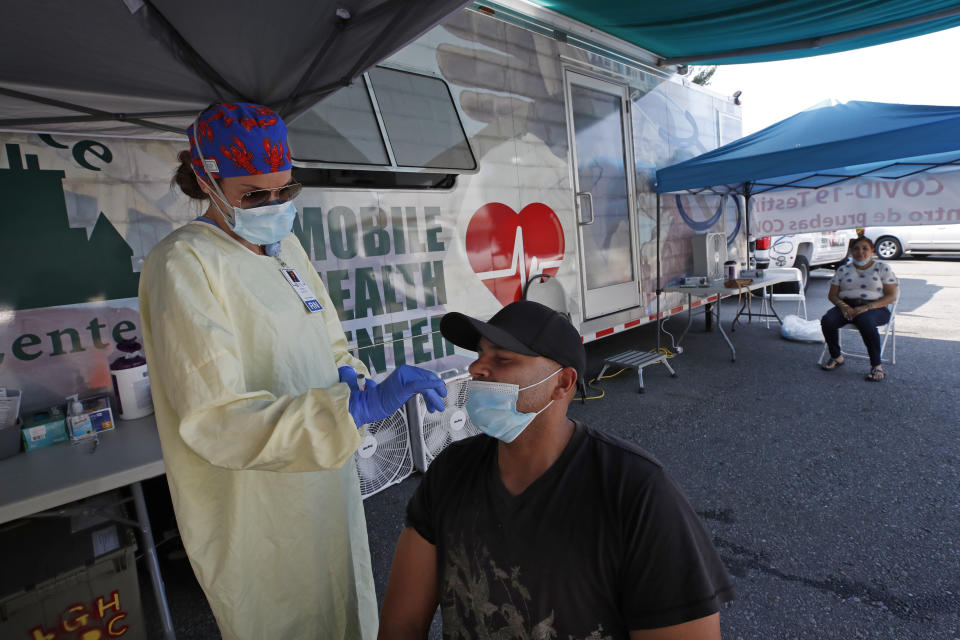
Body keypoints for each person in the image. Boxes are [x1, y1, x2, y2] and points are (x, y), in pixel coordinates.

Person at [138, 102, 447, 639]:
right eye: (255, 195)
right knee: (288, 618)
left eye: (285, 191)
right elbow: (216, 419)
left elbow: (326, 337)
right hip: (257, 502)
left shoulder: (283, 249)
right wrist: (345, 411)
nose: (274, 204)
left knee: (345, 604)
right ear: (206, 182)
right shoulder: (184, 264)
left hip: (323, 481)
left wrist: (352, 378)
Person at [378, 300, 734, 639]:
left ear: (562, 383)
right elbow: (401, 625)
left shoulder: (635, 492)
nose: (476, 369)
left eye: (502, 358)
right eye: (480, 355)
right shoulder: (451, 472)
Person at [820, 236, 899, 381]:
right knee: (828, 320)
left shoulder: (882, 268)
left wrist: (868, 307)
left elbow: (891, 296)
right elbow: (832, 295)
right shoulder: (843, 269)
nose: (860, 252)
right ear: (851, 251)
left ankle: (876, 365)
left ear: (872, 251)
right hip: (847, 306)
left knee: (865, 320)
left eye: (865, 248)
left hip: (876, 307)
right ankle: (836, 356)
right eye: (856, 248)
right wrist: (843, 306)